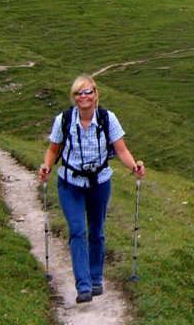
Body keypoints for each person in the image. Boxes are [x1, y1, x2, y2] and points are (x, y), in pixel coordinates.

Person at [37, 75, 145, 303]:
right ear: (73, 98)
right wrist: (46, 166)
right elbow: (53, 149)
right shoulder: (64, 120)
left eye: (88, 92)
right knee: (77, 231)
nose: (83, 97)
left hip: (99, 182)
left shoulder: (108, 119)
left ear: (96, 95)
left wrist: (133, 166)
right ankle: (83, 286)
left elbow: (121, 150)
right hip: (70, 182)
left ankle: (96, 278)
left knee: (96, 231)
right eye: (78, 93)